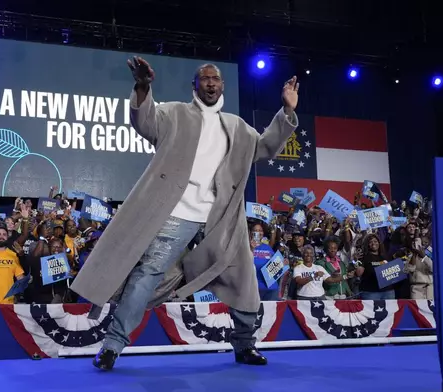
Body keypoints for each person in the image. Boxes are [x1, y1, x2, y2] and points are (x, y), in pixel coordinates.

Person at [71, 56, 299, 370]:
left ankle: (245, 346)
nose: (210, 83)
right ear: (194, 85)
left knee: (244, 280)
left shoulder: (238, 127)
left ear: (222, 86)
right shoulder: (173, 114)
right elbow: (144, 121)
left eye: (215, 79)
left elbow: (265, 147)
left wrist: (287, 111)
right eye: (204, 79)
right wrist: (142, 85)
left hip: (222, 218)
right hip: (177, 213)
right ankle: (112, 346)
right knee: (146, 275)